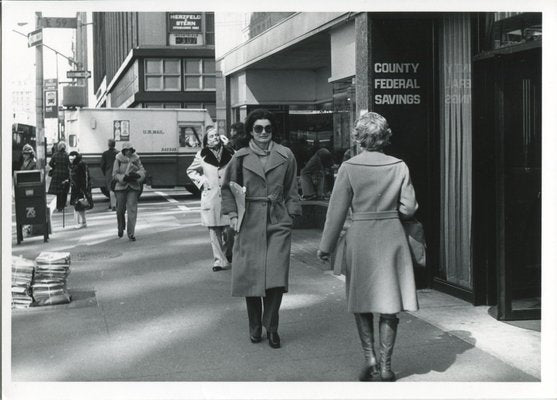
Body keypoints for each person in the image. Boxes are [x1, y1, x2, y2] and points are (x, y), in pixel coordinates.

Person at [317, 112, 419, 382]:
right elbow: (409, 208)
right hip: (391, 236)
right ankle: (386, 367)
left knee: (361, 299)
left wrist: (325, 246)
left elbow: (336, 212)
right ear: (385, 137)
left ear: (358, 137)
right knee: (390, 302)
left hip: (360, 236)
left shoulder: (349, 167)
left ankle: (370, 358)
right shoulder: (399, 165)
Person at [221, 108, 302, 349]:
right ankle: (254, 325)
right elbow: (227, 188)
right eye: (258, 128)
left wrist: (291, 214)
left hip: (277, 219)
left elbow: (291, 188)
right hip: (249, 221)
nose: (263, 132)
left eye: (268, 128)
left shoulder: (286, 155)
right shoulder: (240, 157)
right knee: (251, 278)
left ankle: (272, 327)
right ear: (250, 132)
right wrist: (233, 215)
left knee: (276, 279)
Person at [187, 127, 235, 271]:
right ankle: (219, 261)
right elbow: (190, 170)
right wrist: (202, 181)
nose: (215, 138)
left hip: (228, 196)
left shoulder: (231, 152)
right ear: (206, 140)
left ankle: (227, 253)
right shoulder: (201, 154)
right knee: (214, 231)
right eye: (212, 136)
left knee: (229, 230)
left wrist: (229, 146)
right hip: (211, 196)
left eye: (217, 135)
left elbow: (240, 163)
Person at [112, 142, 146, 241]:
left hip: (133, 186)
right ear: (123, 151)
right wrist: (123, 178)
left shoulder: (136, 158)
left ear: (132, 150)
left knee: (132, 209)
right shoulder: (118, 159)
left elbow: (142, 170)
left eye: (130, 150)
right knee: (120, 210)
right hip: (121, 187)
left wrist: (138, 176)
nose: (128, 152)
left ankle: (131, 233)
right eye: (126, 150)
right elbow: (114, 174)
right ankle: (120, 227)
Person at [68, 151, 92, 229]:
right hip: (76, 187)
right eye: (70, 159)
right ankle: (80, 222)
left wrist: (84, 189)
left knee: (80, 205)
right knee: (78, 205)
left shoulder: (81, 164)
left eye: (72, 158)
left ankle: (83, 222)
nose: (70, 160)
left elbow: (85, 177)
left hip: (80, 188)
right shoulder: (76, 164)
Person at [48, 141, 70, 211]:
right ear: (65, 147)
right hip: (65, 175)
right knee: (64, 191)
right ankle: (62, 206)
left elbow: (50, 163)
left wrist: (55, 167)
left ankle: (58, 207)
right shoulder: (67, 155)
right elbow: (69, 164)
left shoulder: (55, 155)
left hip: (56, 175)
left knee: (58, 192)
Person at [100, 139, 119, 211]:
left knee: (111, 189)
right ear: (115, 145)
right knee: (117, 188)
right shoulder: (118, 153)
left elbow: (102, 165)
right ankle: (116, 204)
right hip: (117, 172)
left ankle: (113, 205)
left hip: (108, 173)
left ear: (108, 145)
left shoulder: (105, 154)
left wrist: (105, 172)